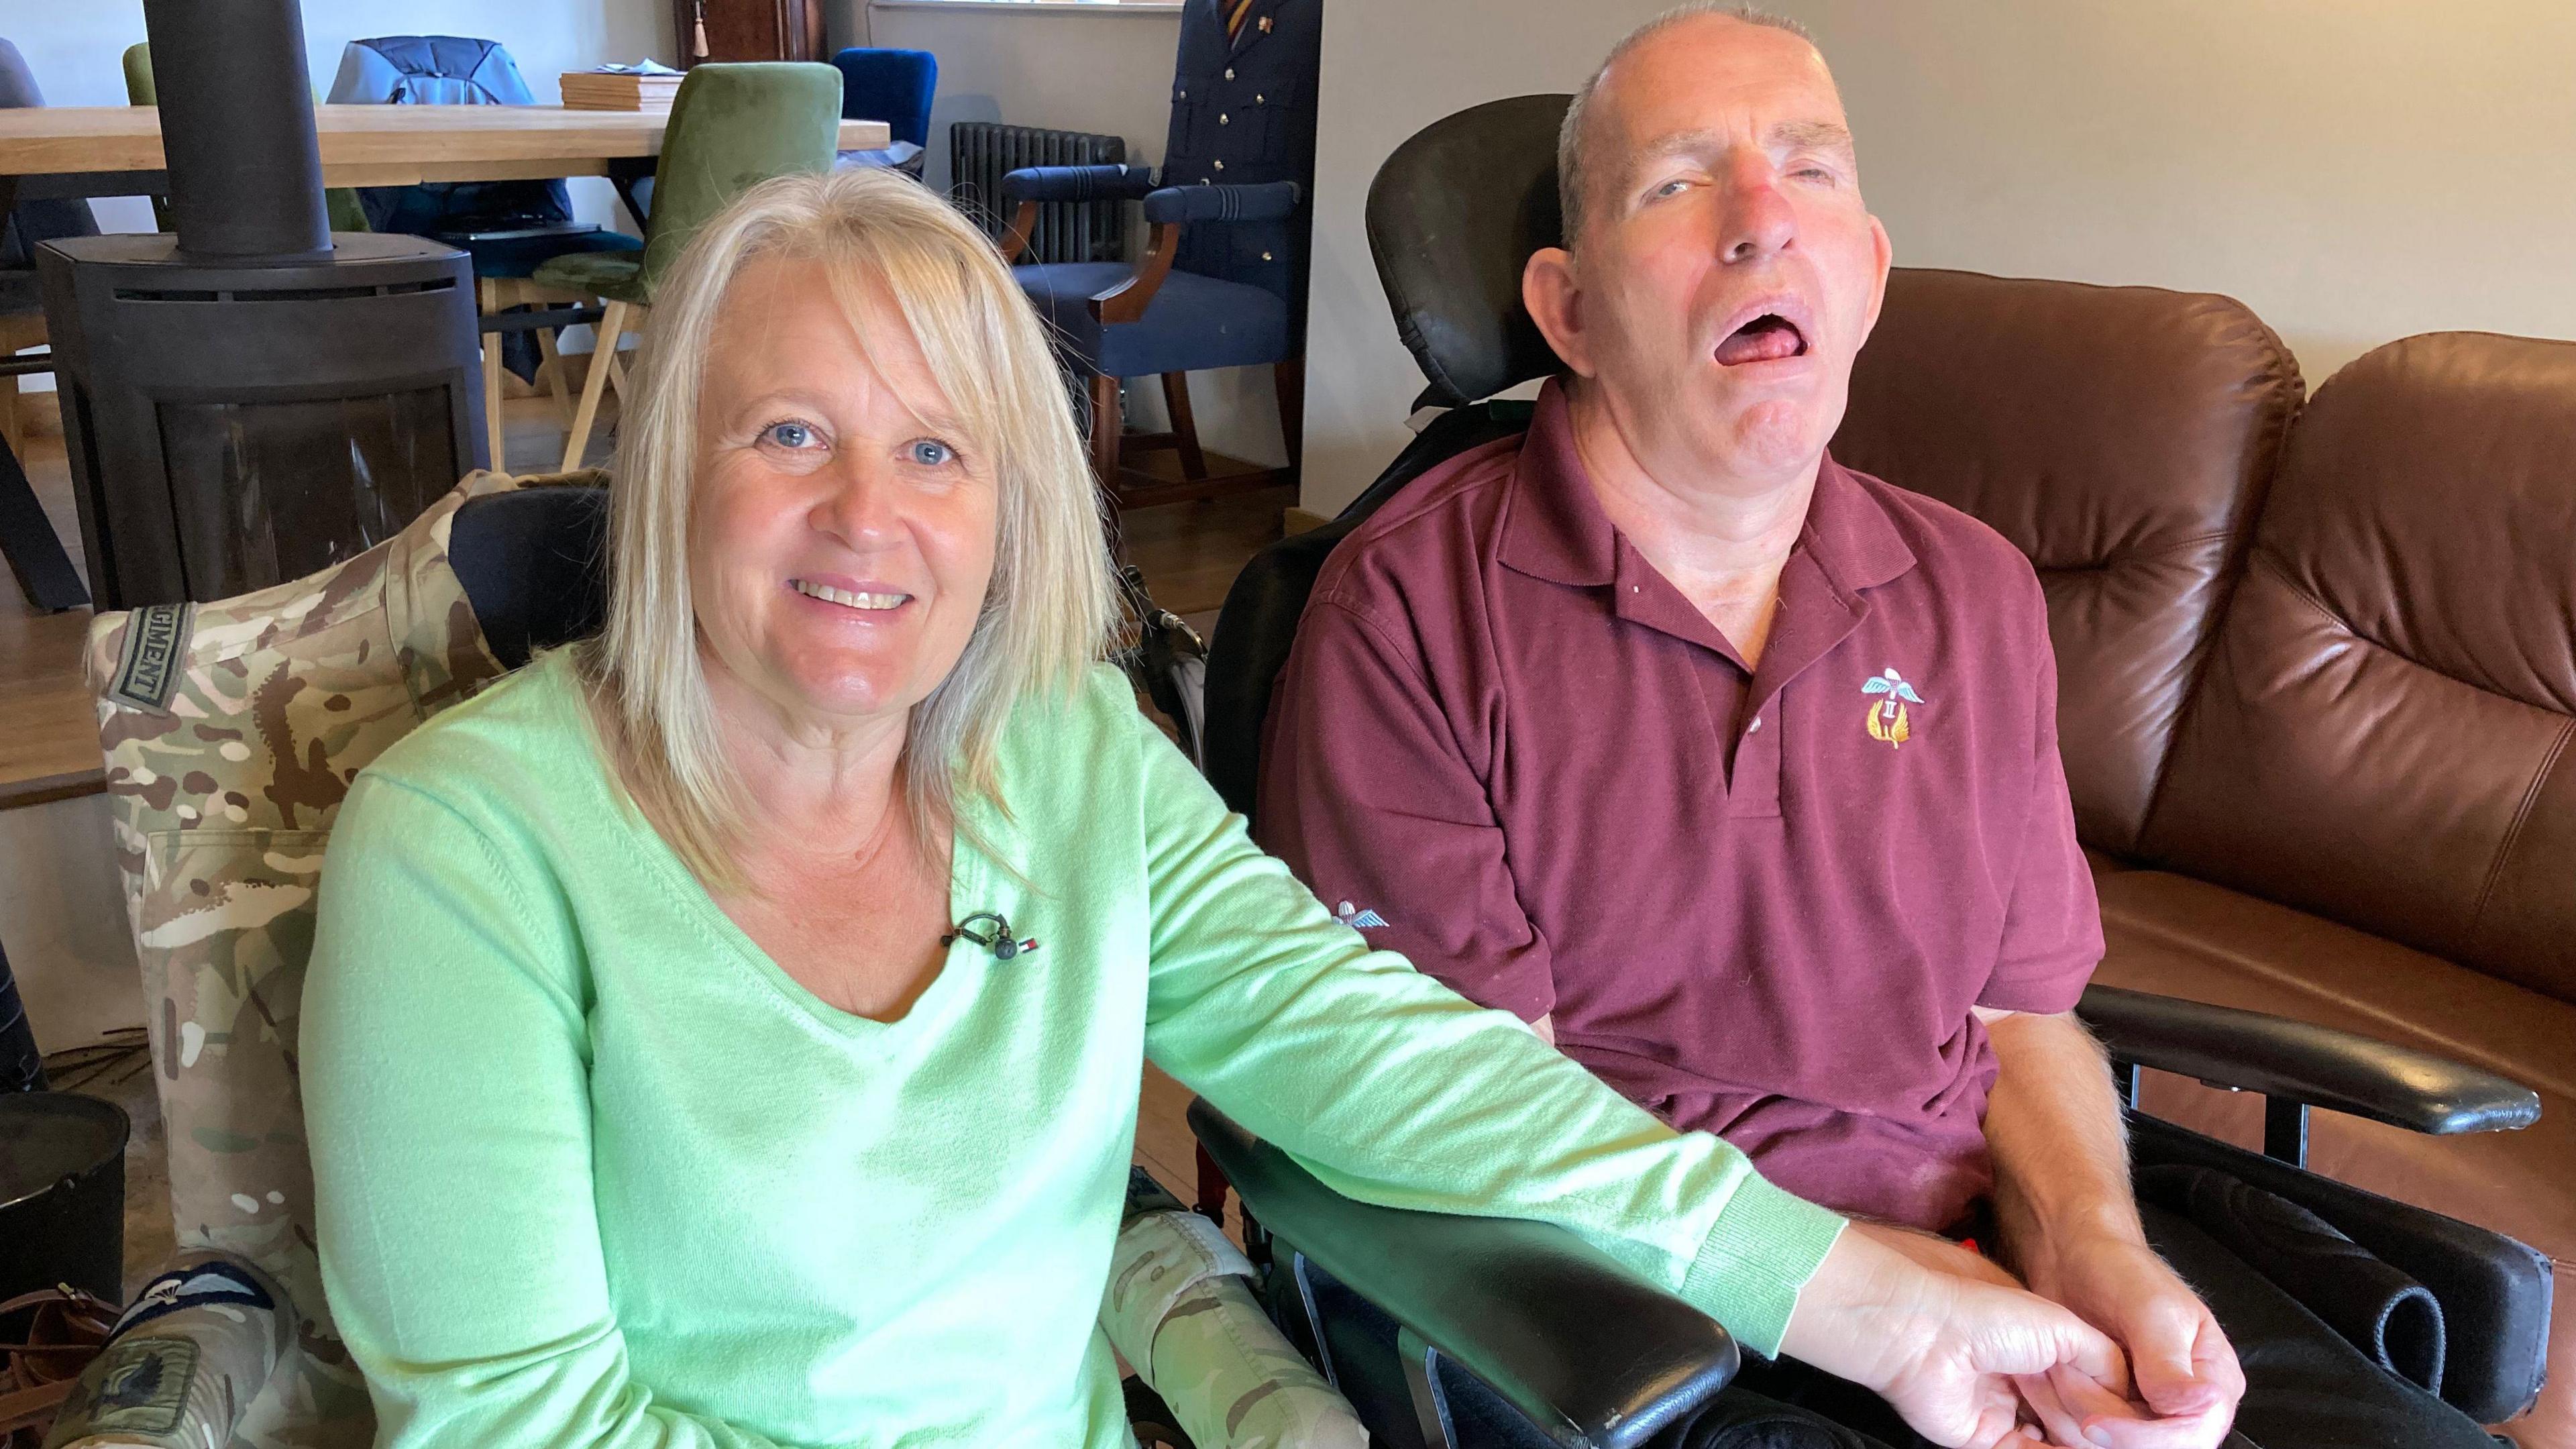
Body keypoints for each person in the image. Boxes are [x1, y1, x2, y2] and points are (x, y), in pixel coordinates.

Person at [301, 166, 2125, 1449]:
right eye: (789, 434)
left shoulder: (1066, 748)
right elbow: (518, 1421)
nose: (871, 516)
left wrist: (1856, 1306)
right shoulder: (469, 849)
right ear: (667, 469)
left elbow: (1383, 1054)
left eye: (939, 450)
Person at [1255, 7, 2506, 1449]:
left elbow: (2019, 1017)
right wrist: (1875, 1294)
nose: (1760, 225)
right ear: (1568, 309)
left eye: (1813, 174)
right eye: (1676, 183)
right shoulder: (1408, 608)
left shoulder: (1972, 591)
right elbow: (1482, 1124)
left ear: (1869, 278)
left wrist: (2094, 1244)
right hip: (1644, 1329)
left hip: (1985, 1257)